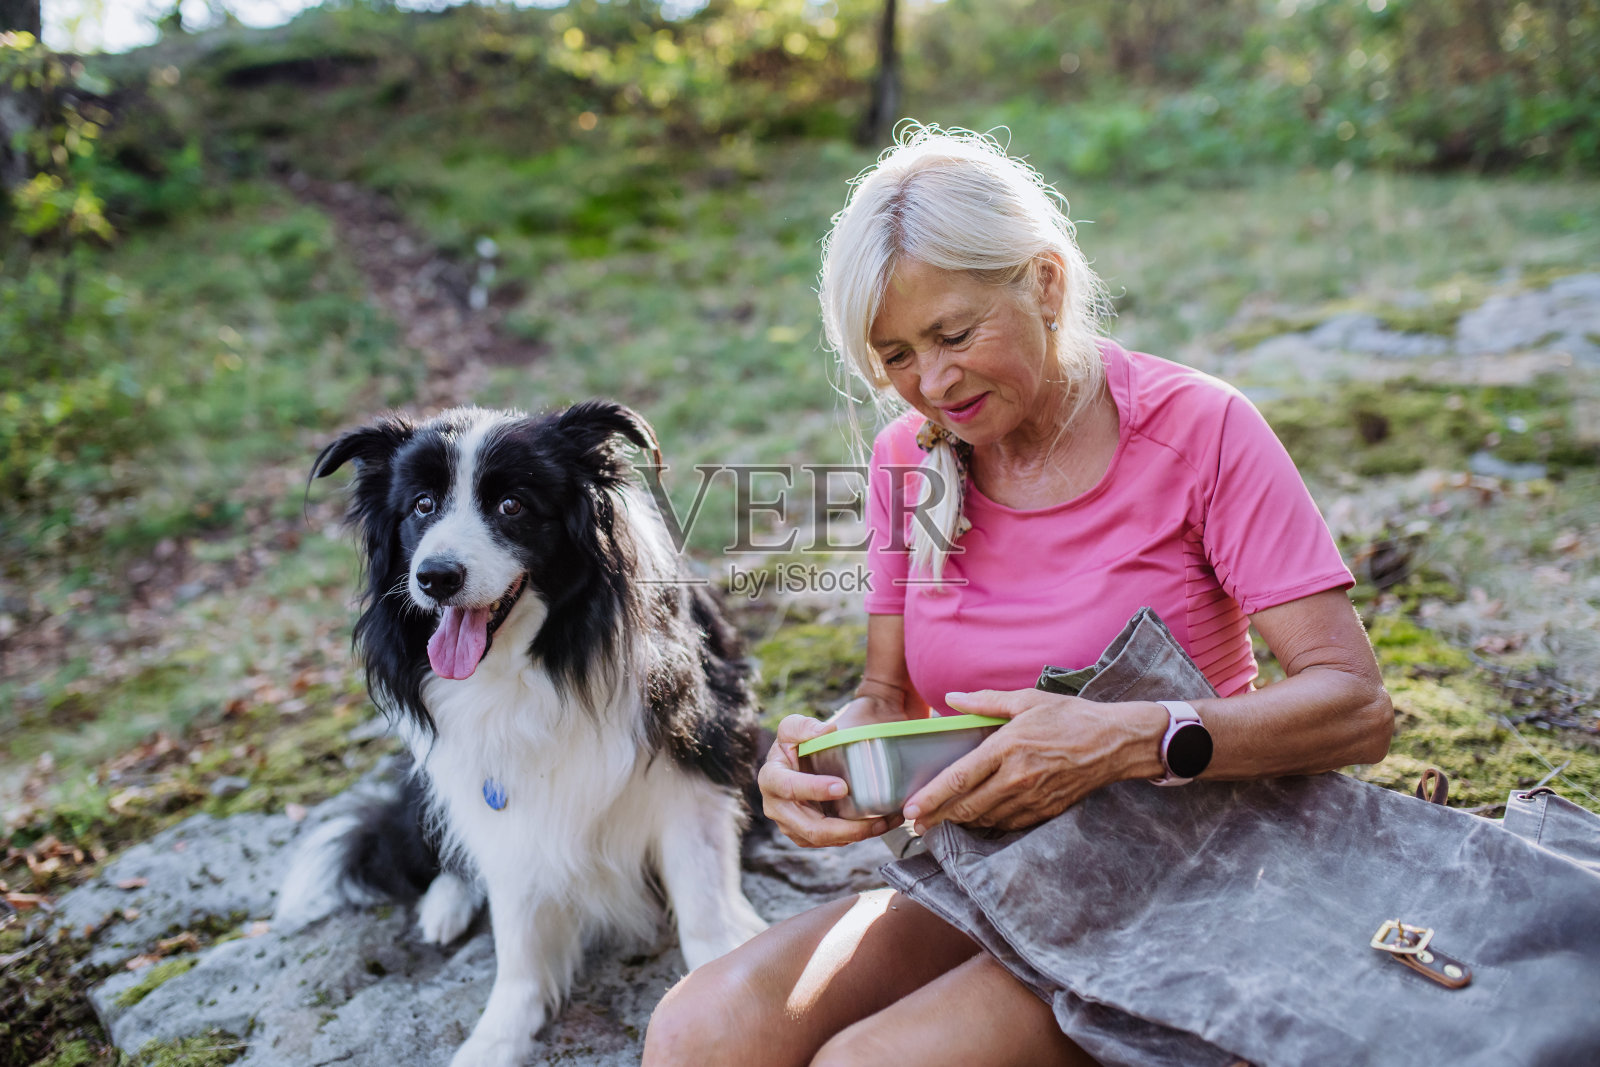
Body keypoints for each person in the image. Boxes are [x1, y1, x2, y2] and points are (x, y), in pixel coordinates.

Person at [641, 126, 1393, 1067]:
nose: (934, 382)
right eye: (897, 355)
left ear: (1044, 282)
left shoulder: (1202, 430)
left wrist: (1129, 735)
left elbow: (1356, 706)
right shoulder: (907, 459)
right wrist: (830, 757)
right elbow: (888, 694)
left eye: (955, 334)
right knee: (697, 1030)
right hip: (990, 863)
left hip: (1185, 859)